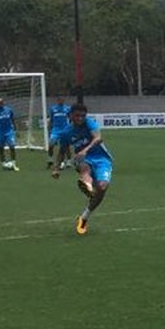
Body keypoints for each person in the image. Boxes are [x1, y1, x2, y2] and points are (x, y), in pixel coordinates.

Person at [66, 102, 114, 235]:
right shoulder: (67, 131)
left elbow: (98, 138)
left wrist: (85, 150)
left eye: (83, 116)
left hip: (102, 159)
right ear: (71, 115)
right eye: (77, 116)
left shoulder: (90, 123)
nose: (80, 118)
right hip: (83, 159)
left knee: (102, 187)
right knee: (84, 167)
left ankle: (84, 217)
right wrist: (56, 167)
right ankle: (87, 185)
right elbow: (62, 149)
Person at [46, 95, 73, 173]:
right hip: (55, 130)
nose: (61, 100)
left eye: (62, 99)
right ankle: (50, 159)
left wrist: (70, 127)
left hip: (65, 129)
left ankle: (68, 161)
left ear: (63, 100)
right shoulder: (53, 109)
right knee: (51, 144)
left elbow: (70, 118)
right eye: (59, 99)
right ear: (57, 100)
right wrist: (49, 128)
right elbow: (51, 119)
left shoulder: (67, 108)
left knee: (66, 146)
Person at [0, 96, 19, 170]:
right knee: (1, 148)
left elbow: (13, 120)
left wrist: (16, 130)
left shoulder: (9, 110)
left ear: (3, 103)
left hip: (9, 131)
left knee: (12, 146)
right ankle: (3, 164)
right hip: (0, 132)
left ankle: (14, 164)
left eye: (0, 103)